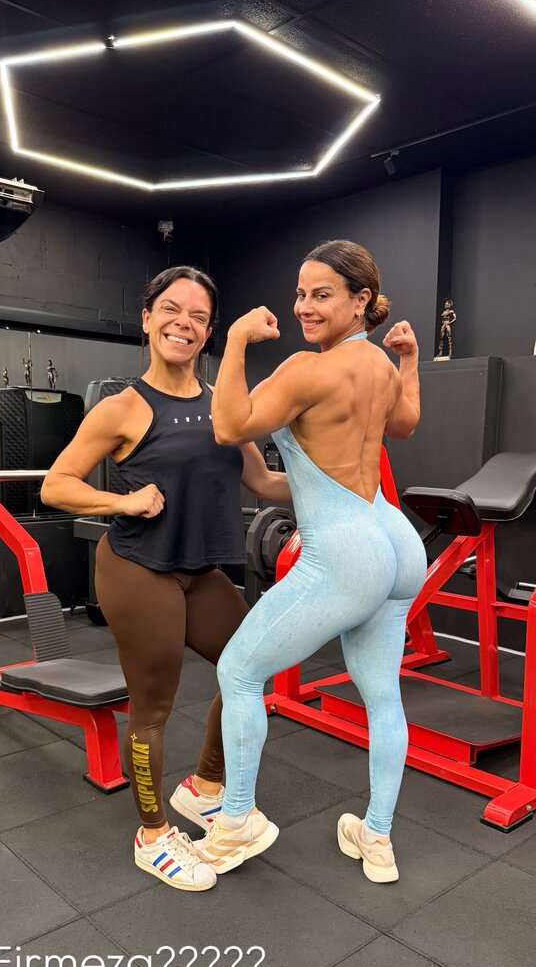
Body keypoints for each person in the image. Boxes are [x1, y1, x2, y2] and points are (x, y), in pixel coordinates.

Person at [41, 266, 291, 893]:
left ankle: (203, 786)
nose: (184, 324)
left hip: (200, 572)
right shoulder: (122, 408)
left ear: (209, 331)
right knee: (153, 708)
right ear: (148, 318)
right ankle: (152, 835)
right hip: (138, 570)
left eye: (199, 316)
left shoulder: (223, 402)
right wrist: (121, 503)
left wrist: (345, 476)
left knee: (250, 667)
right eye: (172, 310)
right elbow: (56, 485)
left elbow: (264, 483)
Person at [198, 239, 427, 884]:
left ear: (360, 300)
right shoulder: (379, 366)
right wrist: (410, 361)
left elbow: (229, 425)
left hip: (347, 551)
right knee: (383, 697)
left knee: (240, 671)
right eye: (301, 294)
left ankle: (236, 821)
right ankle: (377, 837)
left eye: (322, 294)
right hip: (395, 541)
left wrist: (236, 342)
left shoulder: (305, 369)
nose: (304, 306)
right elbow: (404, 424)